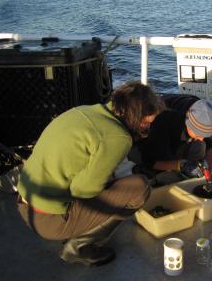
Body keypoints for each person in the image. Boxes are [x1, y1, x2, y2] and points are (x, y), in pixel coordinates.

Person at [17, 80, 164, 266]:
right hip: (47, 221)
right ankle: (78, 246)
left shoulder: (84, 111)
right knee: (139, 188)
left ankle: (76, 229)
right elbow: (83, 190)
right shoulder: (118, 137)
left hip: (25, 204)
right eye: (145, 123)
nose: (146, 128)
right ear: (135, 117)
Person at [132, 94, 212, 182]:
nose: (201, 139)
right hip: (144, 142)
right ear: (188, 125)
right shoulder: (164, 120)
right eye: (198, 135)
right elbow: (149, 159)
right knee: (144, 157)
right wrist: (180, 165)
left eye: (205, 135)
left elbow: (211, 144)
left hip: (174, 134)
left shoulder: (205, 114)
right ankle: (147, 170)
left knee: (200, 148)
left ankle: (179, 165)